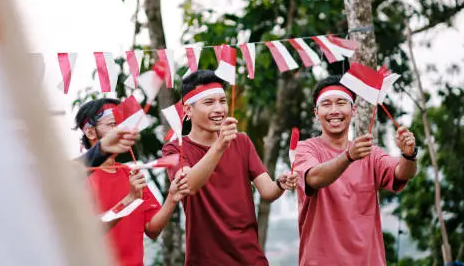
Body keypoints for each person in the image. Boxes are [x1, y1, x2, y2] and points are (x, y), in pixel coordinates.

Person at [163, 70, 298, 266]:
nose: (219, 109)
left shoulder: (241, 140)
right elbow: (188, 185)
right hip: (205, 260)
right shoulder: (175, 148)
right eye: (209, 103)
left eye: (222, 101)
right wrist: (220, 146)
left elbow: (268, 191)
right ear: (188, 110)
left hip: (250, 258)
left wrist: (280, 183)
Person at [293, 75, 418, 266]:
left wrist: (409, 154)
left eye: (341, 103)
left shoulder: (371, 153)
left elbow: (403, 173)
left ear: (353, 110)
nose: (334, 111)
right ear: (316, 113)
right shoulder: (306, 149)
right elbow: (313, 177)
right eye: (326, 104)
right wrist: (348, 156)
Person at [75, 98, 189, 266]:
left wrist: (172, 197)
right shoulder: (80, 177)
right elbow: (87, 230)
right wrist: (129, 200)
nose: (121, 132)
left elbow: (152, 229)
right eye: (113, 125)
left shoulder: (129, 172)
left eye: (123, 125)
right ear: (90, 133)